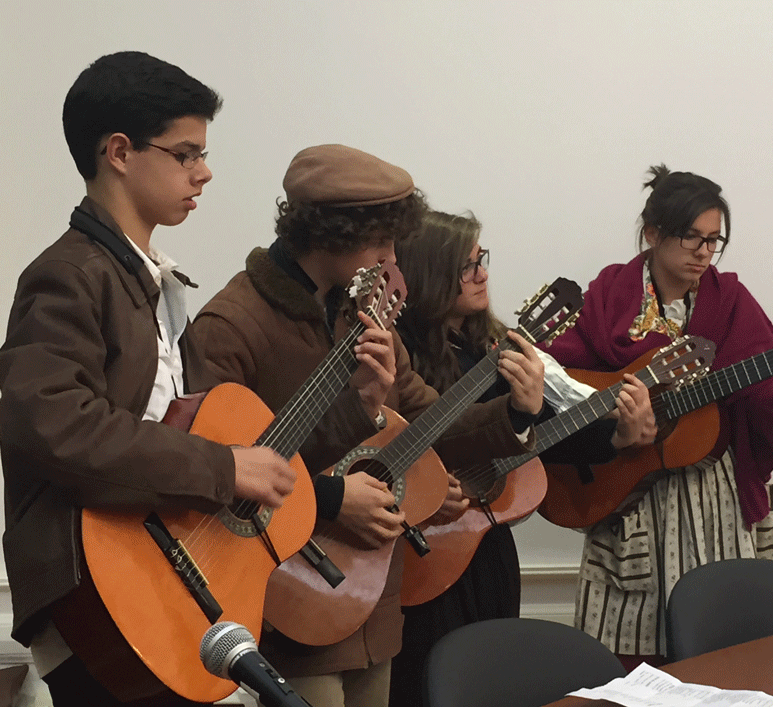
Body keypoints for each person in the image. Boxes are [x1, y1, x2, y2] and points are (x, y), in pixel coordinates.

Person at [190, 144, 546, 707]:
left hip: (373, 598)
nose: (390, 259)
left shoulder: (362, 305)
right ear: (328, 234)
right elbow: (215, 473)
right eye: (380, 242)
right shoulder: (231, 325)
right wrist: (331, 497)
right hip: (292, 596)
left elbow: (432, 420)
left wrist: (516, 413)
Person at [0, 52, 301, 706]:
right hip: (96, 587)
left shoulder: (149, 278)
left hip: (154, 570)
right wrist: (224, 468)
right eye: (186, 152)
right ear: (119, 151)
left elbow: (186, 416)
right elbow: (54, 423)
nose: (205, 170)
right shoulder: (69, 274)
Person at [540, 165, 773, 667]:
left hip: (712, 498)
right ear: (654, 233)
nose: (704, 253)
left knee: (722, 645)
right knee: (630, 666)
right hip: (629, 497)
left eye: (714, 241)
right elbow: (553, 381)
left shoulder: (731, 303)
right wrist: (617, 426)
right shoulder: (610, 295)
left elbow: (761, 402)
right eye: (691, 238)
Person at [388, 209, 657, 707]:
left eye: (481, 260)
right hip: (417, 548)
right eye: (468, 265)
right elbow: (400, 440)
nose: (483, 273)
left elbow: (548, 431)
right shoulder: (398, 352)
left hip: (486, 544)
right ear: (431, 271)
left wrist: (619, 437)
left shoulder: (496, 346)